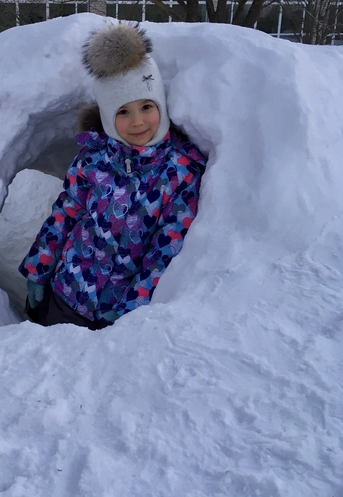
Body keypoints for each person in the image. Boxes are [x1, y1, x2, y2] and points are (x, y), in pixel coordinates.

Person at [19, 22, 206, 329]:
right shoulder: (93, 157)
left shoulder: (180, 173)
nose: (137, 122)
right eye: (122, 112)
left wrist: (131, 308)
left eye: (147, 106)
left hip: (116, 311)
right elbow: (64, 214)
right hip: (66, 293)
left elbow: (164, 250)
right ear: (107, 116)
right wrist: (39, 270)